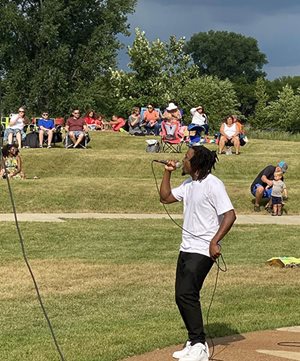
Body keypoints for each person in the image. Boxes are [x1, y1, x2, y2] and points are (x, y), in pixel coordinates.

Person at [159, 146, 236, 361]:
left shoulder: (214, 185)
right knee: (180, 296)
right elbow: (165, 198)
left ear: (197, 164)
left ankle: (200, 346)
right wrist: (167, 172)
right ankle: (193, 341)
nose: (183, 160)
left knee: (187, 294)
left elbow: (230, 215)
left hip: (203, 249)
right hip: (186, 247)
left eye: (186, 158)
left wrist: (214, 241)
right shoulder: (189, 185)